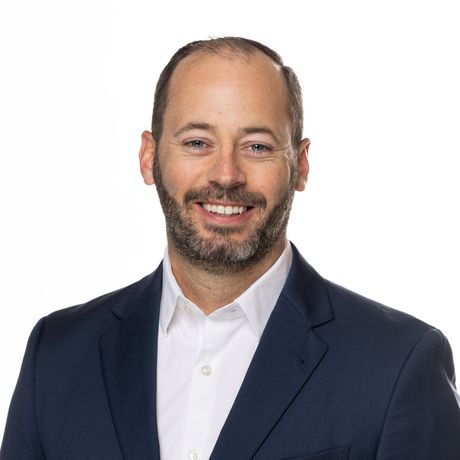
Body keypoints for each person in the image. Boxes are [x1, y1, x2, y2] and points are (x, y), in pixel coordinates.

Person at [1, 36, 459, 460]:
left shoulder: (398, 365)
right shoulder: (57, 354)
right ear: (149, 156)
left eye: (257, 146)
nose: (225, 175)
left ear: (299, 166)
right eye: (197, 142)